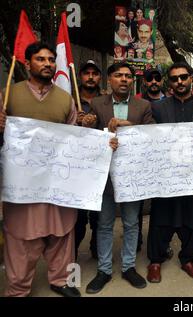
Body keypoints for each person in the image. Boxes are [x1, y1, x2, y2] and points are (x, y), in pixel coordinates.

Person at [0, 42, 80, 297]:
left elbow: (75, 139)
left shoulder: (66, 99)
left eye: (50, 60)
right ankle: (18, 288)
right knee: (22, 236)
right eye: (40, 59)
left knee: (62, 230)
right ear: (27, 64)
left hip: (57, 181)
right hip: (22, 183)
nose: (47, 64)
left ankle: (60, 280)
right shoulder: (8, 95)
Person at [84, 61, 154, 294]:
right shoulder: (96, 104)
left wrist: (127, 126)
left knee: (132, 223)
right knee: (104, 225)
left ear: (133, 80)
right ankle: (104, 270)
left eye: (128, 76)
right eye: (119, 75)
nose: (124, 79)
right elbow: (87, 138)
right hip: (104, 177)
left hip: (132, 176)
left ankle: (128, 267)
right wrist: (93, 129)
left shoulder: (143, 105)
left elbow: (151, 135)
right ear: (110, 80)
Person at [146, 62, 193, 283]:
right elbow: (148, 138)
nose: (179, 82)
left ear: (191, 78)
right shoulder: (157, 108)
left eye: (183, 77)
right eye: (174, 79)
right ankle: (155, 260)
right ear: (170, 82)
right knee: (161, 215)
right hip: (166, 176)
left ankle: (188, 259)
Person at [74, 60, 103, 260]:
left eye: (94, 73)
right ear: (80, 76)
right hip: (76, 168)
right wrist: (73, 122)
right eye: (86, 73)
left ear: (99, 77)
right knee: (77, 219)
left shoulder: (107, 101)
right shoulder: (70, 102)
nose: (90, 77)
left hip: (101, 167)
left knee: (100, 217)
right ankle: (70, 255)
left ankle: (97, 250)